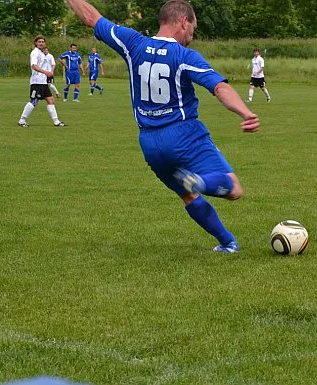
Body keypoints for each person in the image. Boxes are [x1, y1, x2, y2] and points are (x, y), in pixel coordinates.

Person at [66, 0, 260, 253]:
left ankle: (227, 243)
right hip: (183, 135)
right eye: (193, 28)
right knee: (233, 188)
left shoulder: (133, 43)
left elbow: (92, 17)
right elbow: (219, 87)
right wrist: (245, 112)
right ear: (183, 21)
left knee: (187, 195)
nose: (192, 35)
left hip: (150, 143)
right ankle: (201, 182)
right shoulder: (184, 56)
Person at [17, 35, 67, 128]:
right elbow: (34, 66)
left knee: (50, 100)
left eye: (42, 42)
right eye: (39, 42)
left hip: (43, 82)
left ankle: (56, 122)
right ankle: (22, 120)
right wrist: (46, 72)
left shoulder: (42, 53)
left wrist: (47, 74)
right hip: (36, 82)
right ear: (35, 43)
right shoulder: (35, 53)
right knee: (34, 101)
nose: (41, 43)